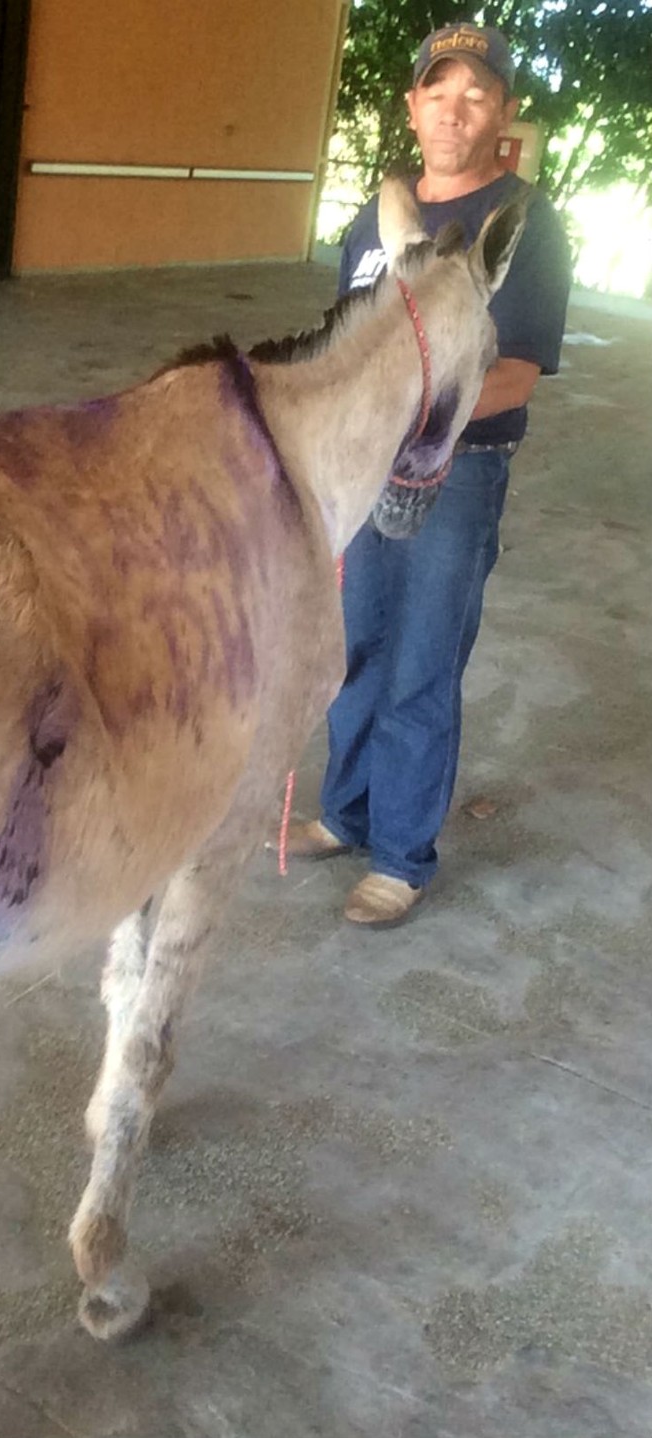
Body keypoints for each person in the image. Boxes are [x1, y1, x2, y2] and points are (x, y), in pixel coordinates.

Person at [285, 23, 572, 926]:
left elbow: (516, 373)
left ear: (503, 113)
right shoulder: (379, 219)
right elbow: (348, 343)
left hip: (460, 470)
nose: (454, 110)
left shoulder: (521, 224)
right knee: (358, 646)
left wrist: (407, 413)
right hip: (365, 472)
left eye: (475, 95)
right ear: (413, 107)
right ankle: (347, 813)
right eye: (438, 92)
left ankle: (402, 857)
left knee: (422, 661)